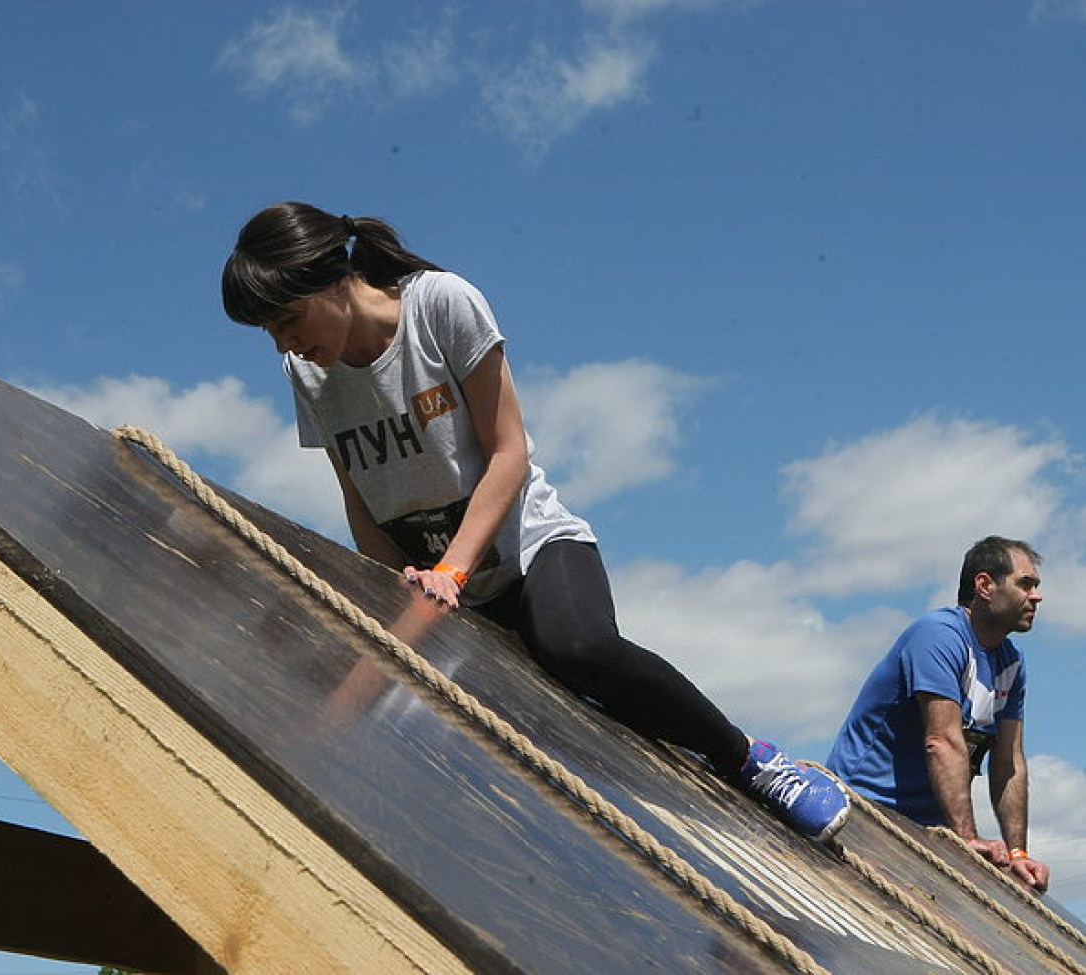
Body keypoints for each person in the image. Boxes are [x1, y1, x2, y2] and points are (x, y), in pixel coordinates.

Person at [221, 201, 849, 842]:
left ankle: (750, 760)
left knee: (577, 649)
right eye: (269, 331)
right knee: (400, 708)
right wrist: (397, 593)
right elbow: (359, 499)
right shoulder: (307, 374)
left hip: (529, 552)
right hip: (441, 588)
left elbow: (509, 451)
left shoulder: (440, 305)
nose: (284, 342)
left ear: (332, 279)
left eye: (288, 320)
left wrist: (452, 570)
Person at [827, 536, 1051, 891]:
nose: (1036, 596)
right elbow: (941, 741)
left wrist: (1018, 853)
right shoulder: (939, 635)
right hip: (866, 809)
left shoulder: (1011, 662)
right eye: (1025, 584)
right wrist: (966, 839)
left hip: (928, 830)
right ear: (984, 585)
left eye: (1036, 586)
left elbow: (1008, 763)